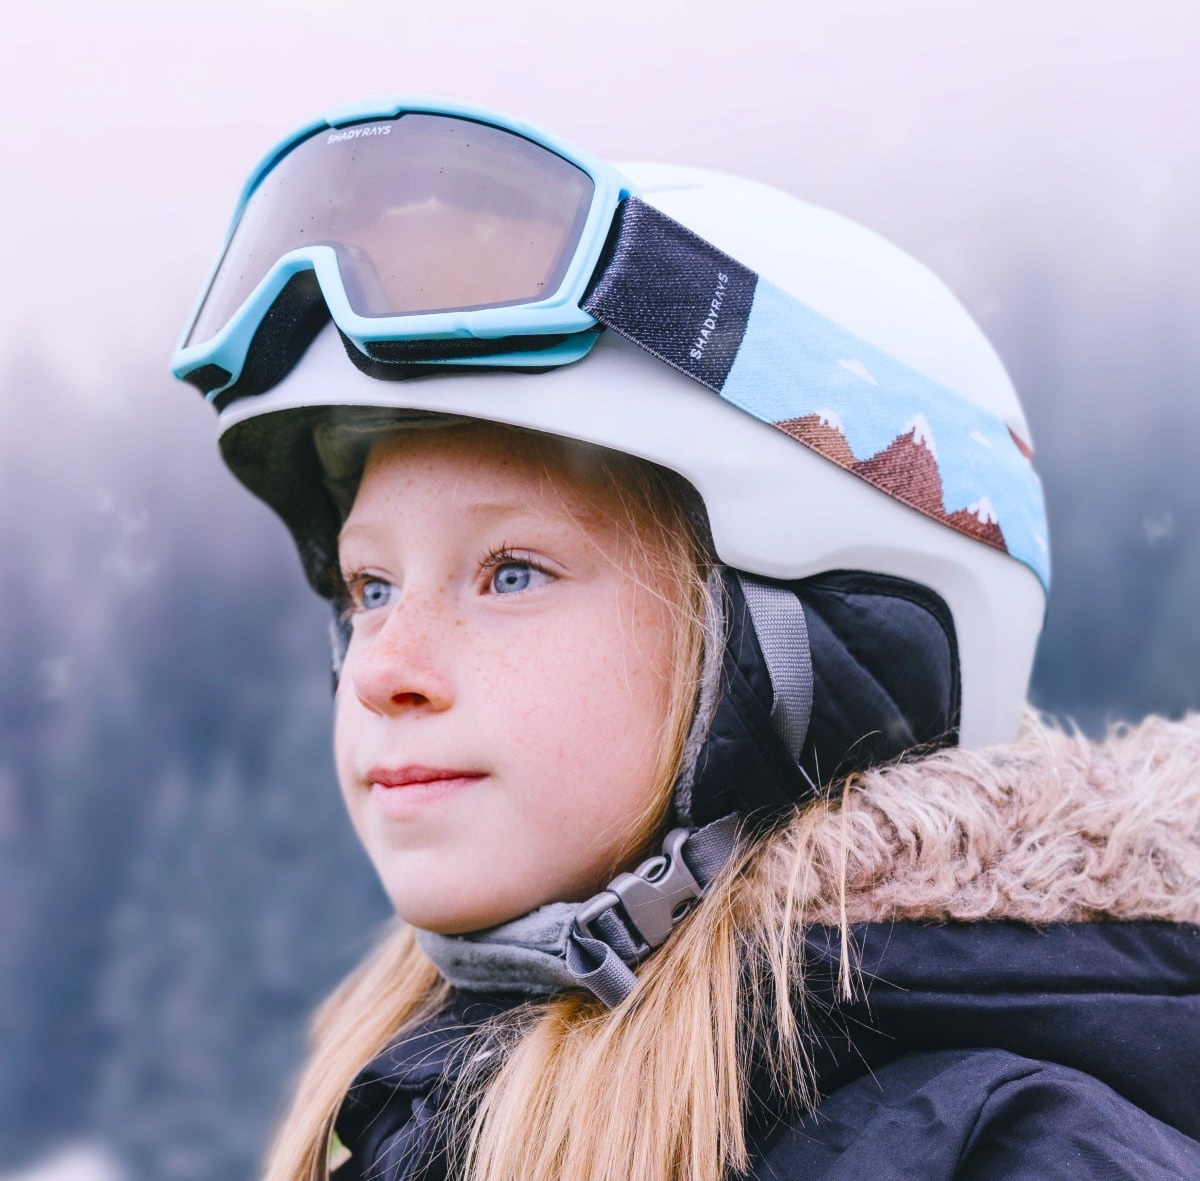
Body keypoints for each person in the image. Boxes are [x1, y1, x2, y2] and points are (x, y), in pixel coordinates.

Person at [172, 99, 1200, 1181]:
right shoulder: (413, 1104)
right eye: (370, 588)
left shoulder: (1009, 1152)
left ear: (833, 649)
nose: (384, 669)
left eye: (511, 573)